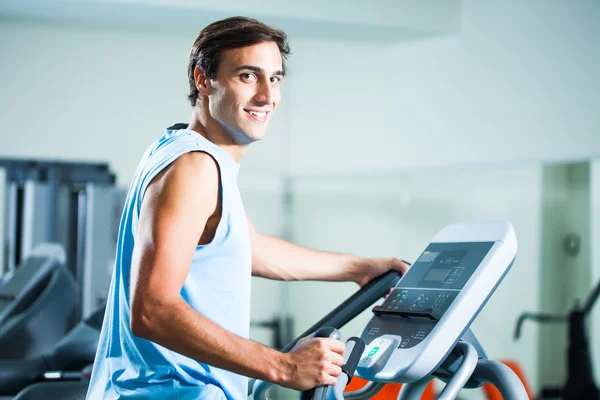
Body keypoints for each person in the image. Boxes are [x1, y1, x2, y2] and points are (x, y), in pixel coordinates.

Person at [86, 16, 409, 400]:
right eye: (247, 76)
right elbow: (153, 309)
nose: (266, 95)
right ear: (204, 80)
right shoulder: (195, 167)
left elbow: (247, 246)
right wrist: (283, 366)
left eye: (274, 78)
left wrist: (357, 268)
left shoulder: (184, 151)